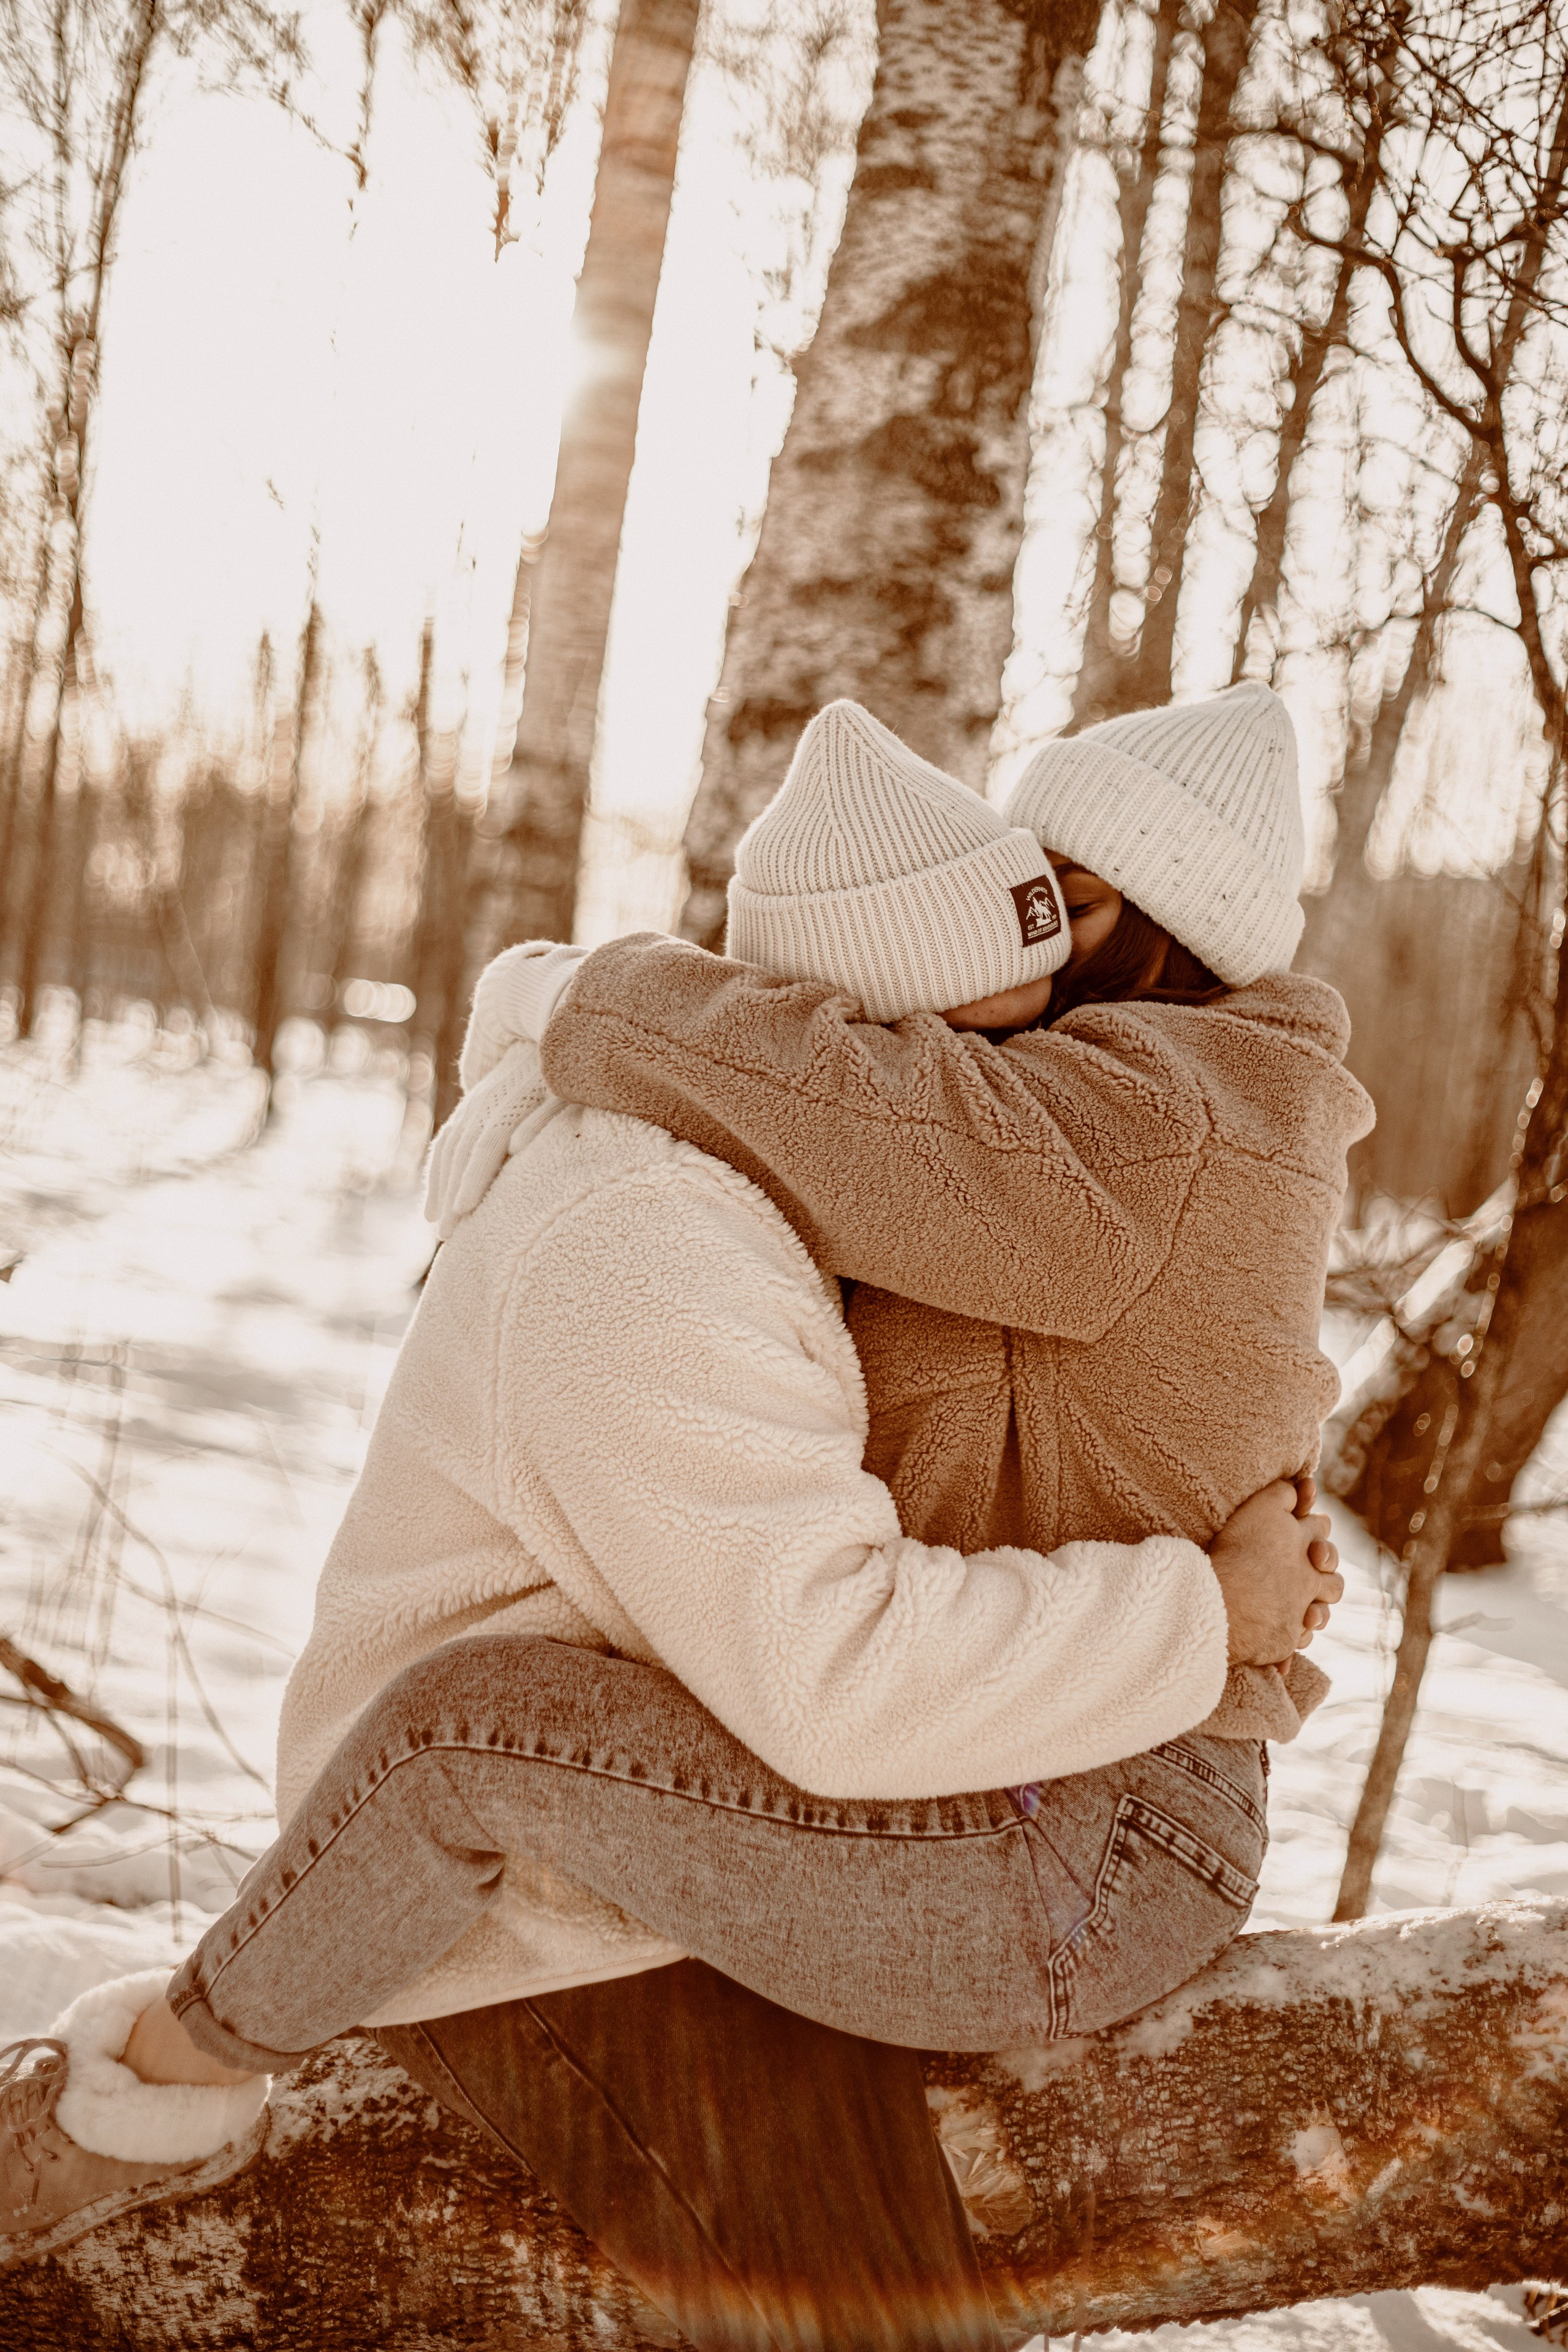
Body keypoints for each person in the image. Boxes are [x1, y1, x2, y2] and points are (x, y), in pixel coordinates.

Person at [0, 687, 1358, 2352]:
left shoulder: (1145, 1111)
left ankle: (149, 2090)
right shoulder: (711, 1217)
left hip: (1072, 1817)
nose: (1042, 976)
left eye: (1069, 914)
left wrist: (591, 995)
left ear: (1172, 941)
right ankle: (144, 2102)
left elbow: (869, 1114)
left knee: (476, 1751)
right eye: (1018, 920)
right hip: (965, 1783)